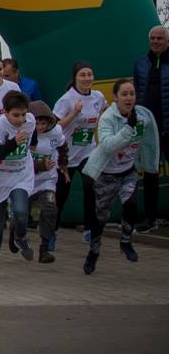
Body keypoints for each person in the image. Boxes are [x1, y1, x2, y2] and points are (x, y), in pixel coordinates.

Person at [82, 78, 160, 275]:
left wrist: (149, 165)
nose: (128, 98)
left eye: (132, 94)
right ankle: (93, 252)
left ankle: (125, 241)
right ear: (115, 98)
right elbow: (107, 145)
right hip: (106, 175)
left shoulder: (142, 117)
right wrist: (127, 129)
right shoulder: (108, 118)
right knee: (100, 219)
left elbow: (150, 141)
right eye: (124, 94)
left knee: (131, 205)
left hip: (128, 173)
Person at [0, 90, 36, 278]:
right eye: (16, 115)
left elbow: (33, 141)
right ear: (5, 112)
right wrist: (13, 143)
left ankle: (20, 237)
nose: (21, 119)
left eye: (23, 114)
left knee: (21, 212)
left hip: (21, 174)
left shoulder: (30, 121)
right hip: (0, 177)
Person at [53, 61, 106, 242]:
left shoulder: (98, 97)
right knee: (61, 194)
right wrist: (74, 113)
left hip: (87, 151)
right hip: (66, 154)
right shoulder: (67, 100)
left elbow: (105, 110)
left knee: (91, 185)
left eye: (89, 74)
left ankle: (90, 228)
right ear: (75, 78)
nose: (87, 78)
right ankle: (52, 229)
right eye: (82, 75)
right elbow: (56, 126)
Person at [132, 24, 168, 232]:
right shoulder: (140, 64)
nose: (155, 41)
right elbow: (136, 93)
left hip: (168, 126)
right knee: (150, 172)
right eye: (153, 38)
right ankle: (150, 217)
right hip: (148, 129)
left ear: (167, 41)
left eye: (159, 38)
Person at [29, 100, 66, 264]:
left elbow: (63, 147)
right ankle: (17, 234)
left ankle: (44, 248)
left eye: (43, 123)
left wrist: (63, 166)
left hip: (47, 180)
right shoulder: (23, 134)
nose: (40, 127)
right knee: (20, 215)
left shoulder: (56, 132)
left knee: (50, 209)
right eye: (36, 123)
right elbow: (19, 161)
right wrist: (39, 166)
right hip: (26, 181)